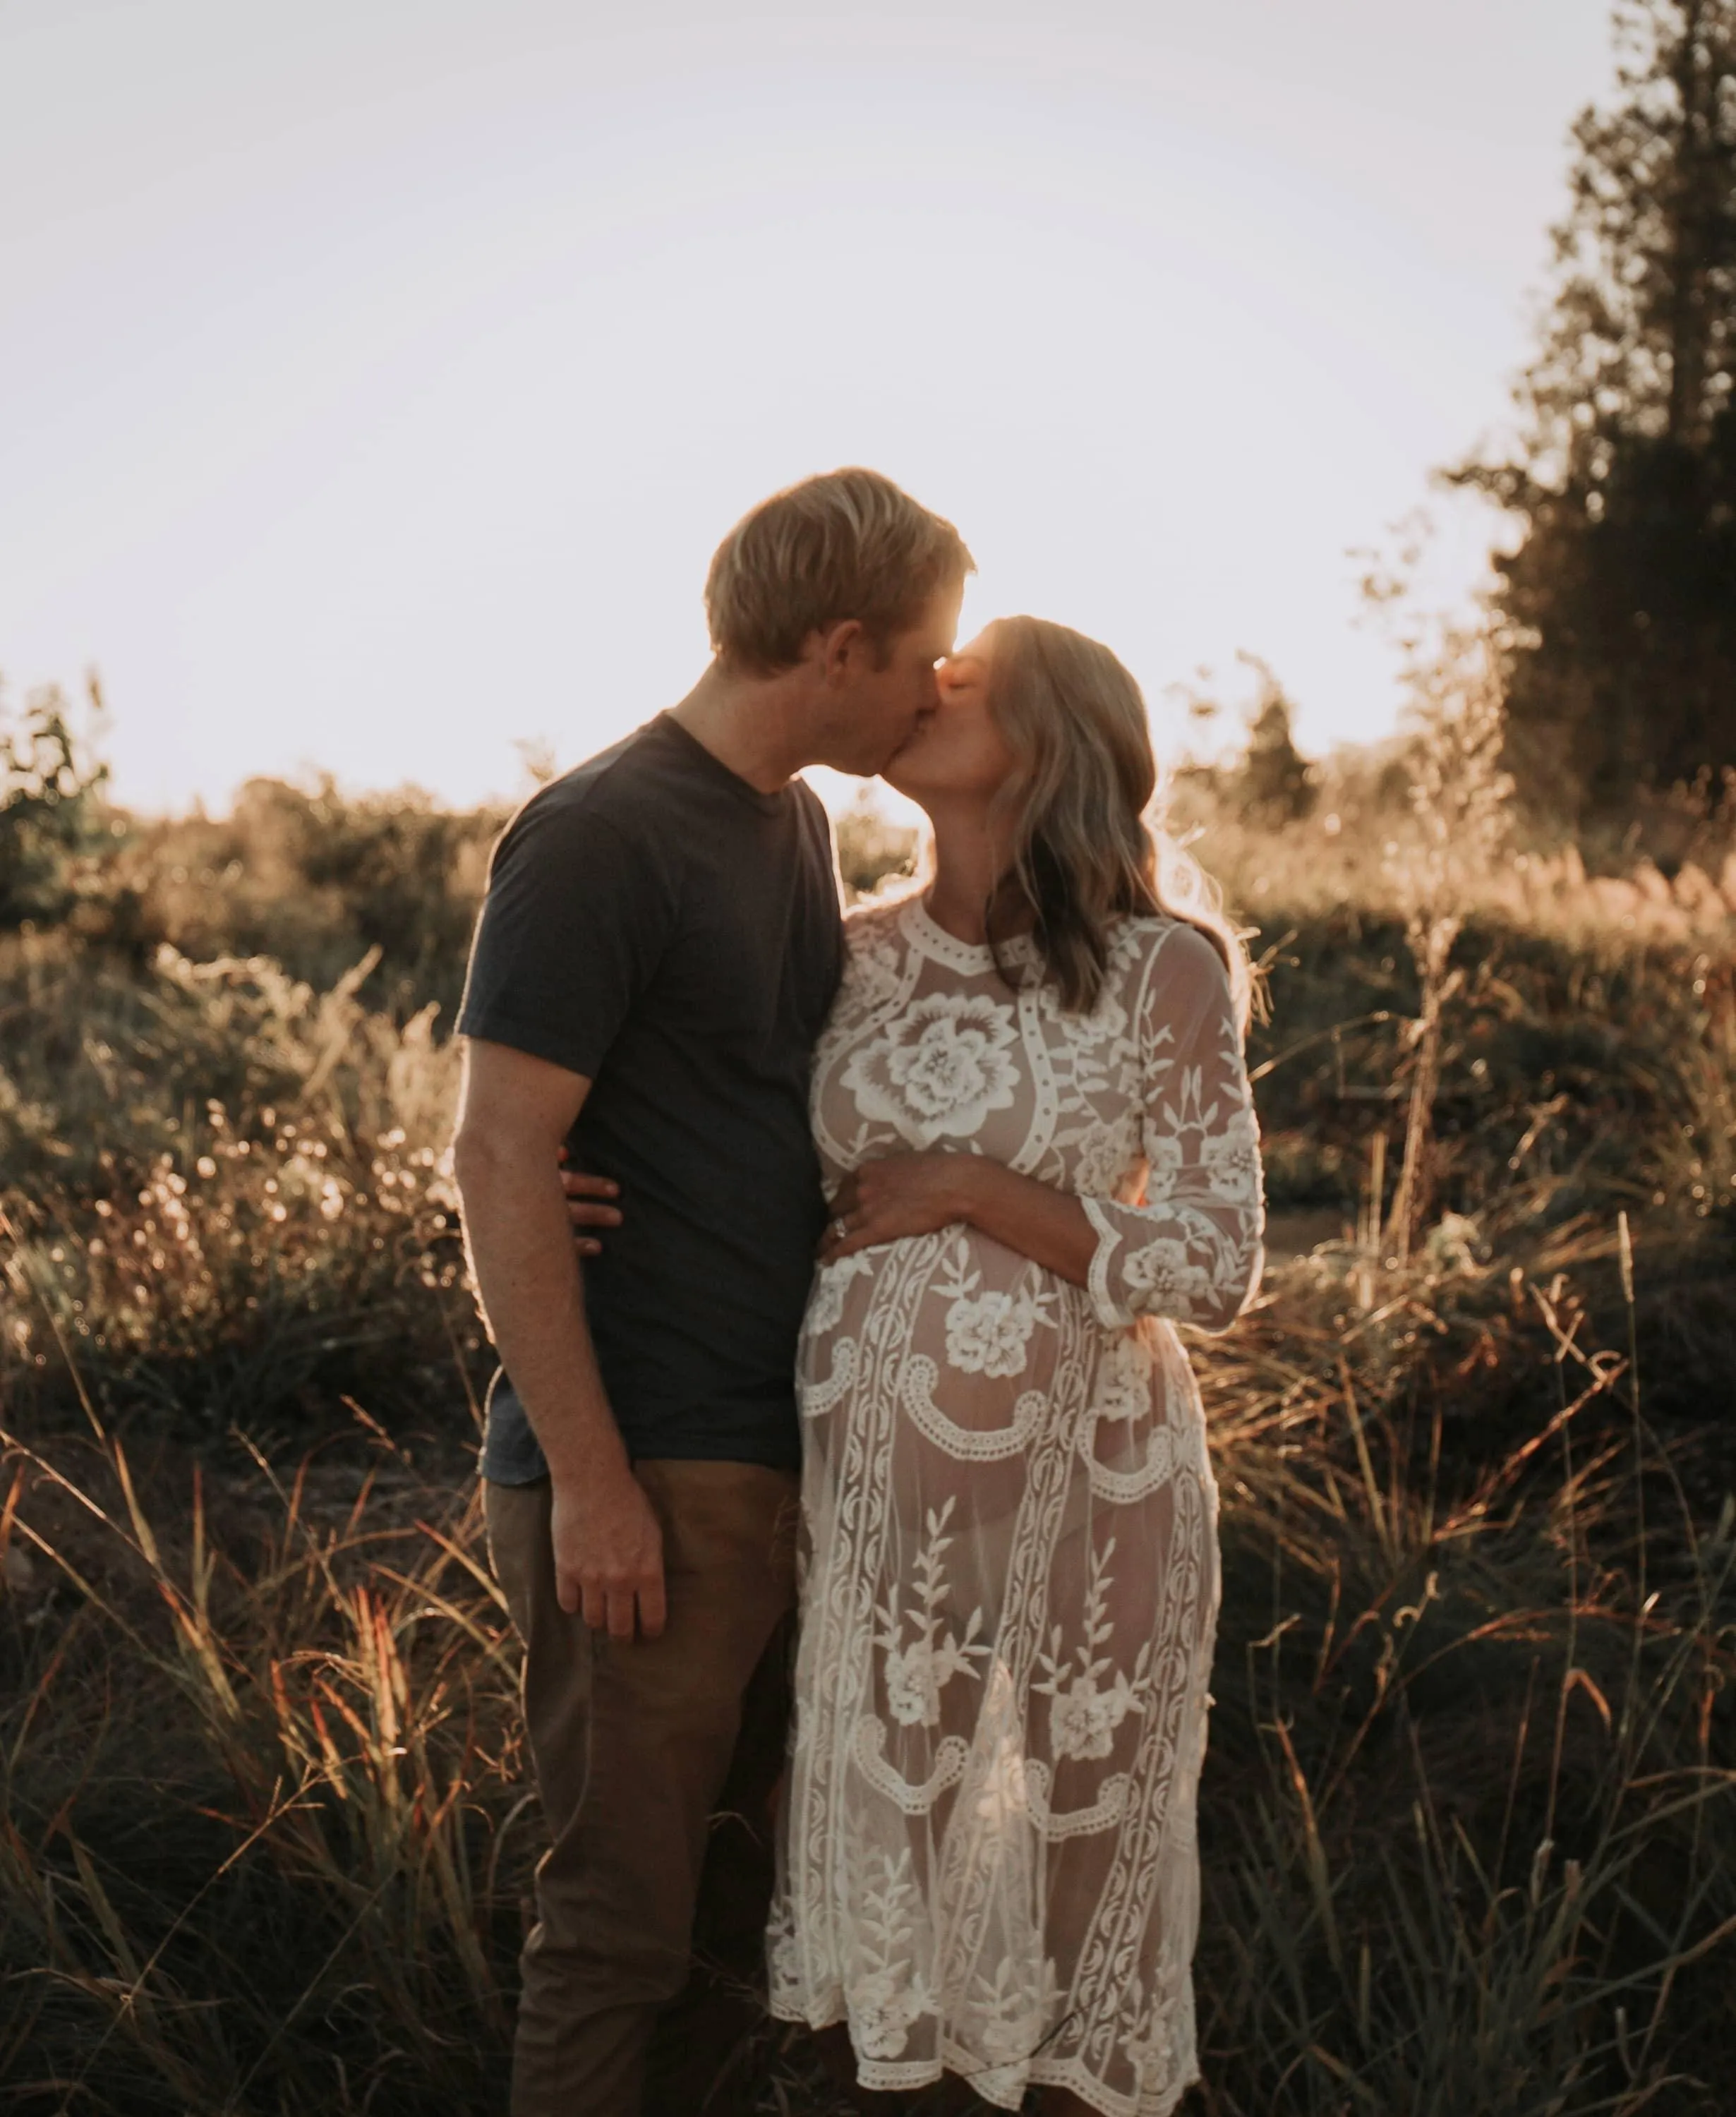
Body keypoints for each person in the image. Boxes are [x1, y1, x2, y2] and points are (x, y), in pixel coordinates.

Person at [452, 468, 972, 2117]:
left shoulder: (793, 822)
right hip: (643, 1471)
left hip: (769, 1454)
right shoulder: (603, 829)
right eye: (921, 658)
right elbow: (496, 1152)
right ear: (835, 643)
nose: (934, 690)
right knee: (617, 1932)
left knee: (732, 1926)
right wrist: (593, 1485)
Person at [765, 617, 1265, 2116]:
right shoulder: (839, 954)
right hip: (873, 1516)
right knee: (895, 1899)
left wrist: (976, 1191)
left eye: (962, 682)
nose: (925, 691)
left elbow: (1217, 1258)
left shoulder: (1159, 968)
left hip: (1091, 1504)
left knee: (1061, 1881)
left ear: (1047, 740)